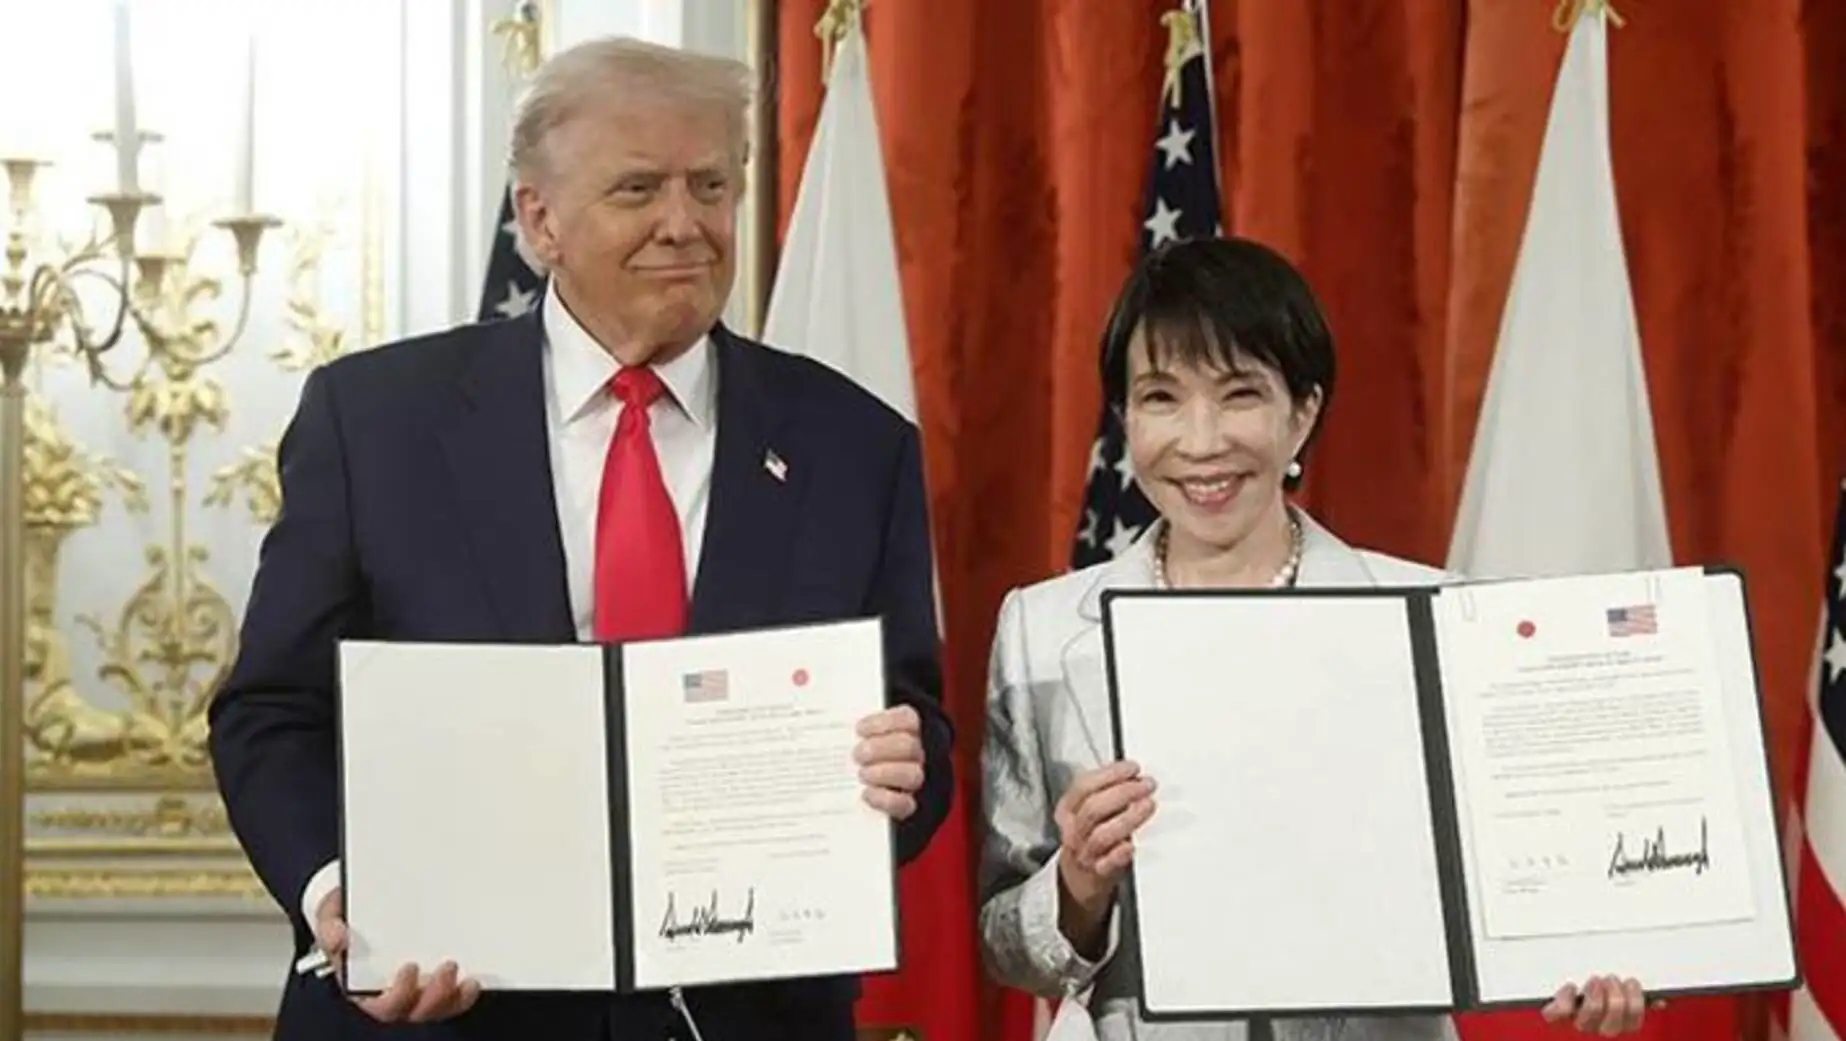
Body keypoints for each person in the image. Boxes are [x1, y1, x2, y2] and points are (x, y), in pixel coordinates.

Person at [208, 36, 953, 1041]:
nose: (684, 223)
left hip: (745, 1015)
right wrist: (342, 894)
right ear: (539, 219)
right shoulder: (374, 422)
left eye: (710, 185)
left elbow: (915, 727)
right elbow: (270, 711)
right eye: (638, 188)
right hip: (435, 1013)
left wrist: (900, 773)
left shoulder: (855, 445)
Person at [977, 236, 1653, 1041]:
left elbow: (1530, 875)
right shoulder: (1043, 630)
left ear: (1302, 413)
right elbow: (1005, 944)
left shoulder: (1438, 616)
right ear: (1124, 418)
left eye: (1240, 395)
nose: (1201, 440)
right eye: (1161, 398)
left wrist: (1592, 956)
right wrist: (1079, 884)